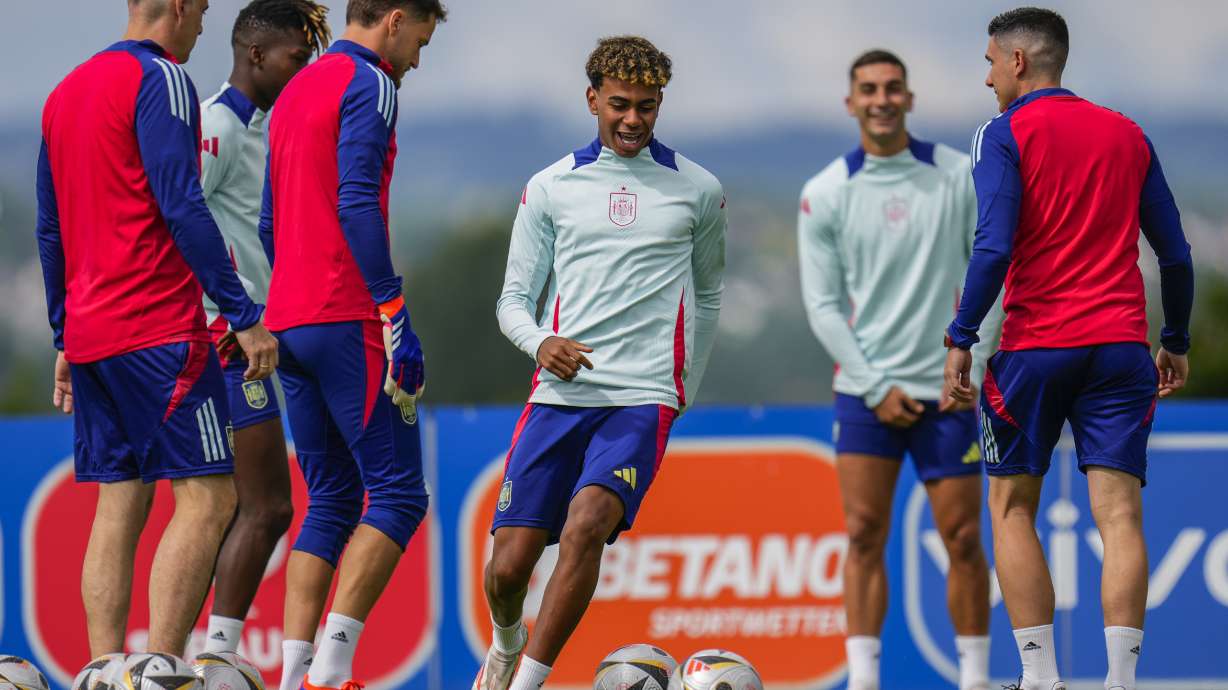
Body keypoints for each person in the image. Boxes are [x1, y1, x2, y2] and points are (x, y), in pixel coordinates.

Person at [944, 8, 1194, 690]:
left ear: (1018, 61)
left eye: (990, 63)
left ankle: (1040, 679)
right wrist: (1174, 338)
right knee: (1120, 515)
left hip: (1036, 347)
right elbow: (1175, 253)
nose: (988, 78)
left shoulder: (1001, 132)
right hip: (1121, 348)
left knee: (1011, 508)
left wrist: (962, 335)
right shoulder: (1127, 133)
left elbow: (993, 245)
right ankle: (1121, 683)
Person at [475, 35, 727, 690]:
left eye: (647, 106)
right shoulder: (550, 186)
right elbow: (512, 301)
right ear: (592, 100)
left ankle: (526, 684)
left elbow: (708, 296)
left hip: (642, 397)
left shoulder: (698, 190)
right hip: (559, 398)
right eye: (620, 104)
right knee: (507, 569)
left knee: (587, 524)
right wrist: (540, 343)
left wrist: (683, 388)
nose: (633, 119)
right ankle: (506, 643)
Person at [36, 0, 279, 660]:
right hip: (158, 330)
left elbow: (50, 229)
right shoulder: (164, 76)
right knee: (209, 500)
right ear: (176, 5)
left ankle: (104, 670)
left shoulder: (64, 93)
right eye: (201, 9)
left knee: (118, 506)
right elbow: (183, 202)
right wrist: (242, 314)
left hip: (92, 335)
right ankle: (160, 669)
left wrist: (64, 334)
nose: (202, 24)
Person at [797, 49, 999, 690]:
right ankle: (865, 680)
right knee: (863, 534)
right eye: (869, 90)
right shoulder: (826, 191)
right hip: (866, 395)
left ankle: (974, 679)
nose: (881, 100)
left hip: (949, 391)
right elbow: (823, 306)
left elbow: (990, 274)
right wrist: (875, 386)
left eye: (892, 88)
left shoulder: (956, 175)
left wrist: (971, 368)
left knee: (962, 537)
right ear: (851, 102)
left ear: (909, 99)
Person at [259, 1, 445, 689]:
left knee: (332, 500)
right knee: (398, 496)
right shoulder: (372, 81)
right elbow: (357, 200)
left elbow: (268, 222)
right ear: (394, 20)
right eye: (420, 40)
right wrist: (392, 308)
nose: (417, 59)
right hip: (347, 315)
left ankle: (292, 676)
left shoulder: (294, 87)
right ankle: (331, 674)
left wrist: (297, 293)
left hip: (289, 316)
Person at [198, 0, 331, 655]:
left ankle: (198, 654)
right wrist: (227, 316)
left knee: (230, 509)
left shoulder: (268, 129)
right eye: (295, 59)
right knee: (268, 506)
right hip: (221, 341)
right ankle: (214, 659)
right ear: (255, 55)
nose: (302, 71)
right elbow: (175, 224)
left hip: (253, 339)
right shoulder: (216, 124)